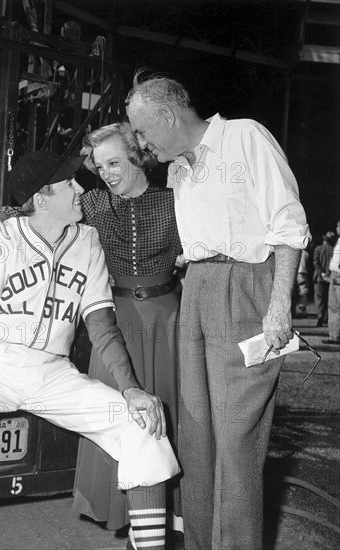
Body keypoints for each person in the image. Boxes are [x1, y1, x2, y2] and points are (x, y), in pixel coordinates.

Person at [0, 151, 180, 550]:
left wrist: (131, 388)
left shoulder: (87, 242)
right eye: (68, 184)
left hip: (53, 372)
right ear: (41, 197)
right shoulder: (2, 236)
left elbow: (103, 328)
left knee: (141, 423)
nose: (79, 190)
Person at [125, 71, 310, 550]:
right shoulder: (177, 167)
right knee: (198, 436)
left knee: (236, 441)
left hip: (246, 286)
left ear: (168, 115)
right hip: (199, 289)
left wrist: (278, 308)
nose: (142, 144)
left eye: (143, 132)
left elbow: (287, 223)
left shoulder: (245, 136)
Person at [0, 122, 184, 548]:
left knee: (169, 410)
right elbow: (28, 207)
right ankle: (119, 511)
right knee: (116, 410)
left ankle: (171, 514)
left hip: (169, 316)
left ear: (138, 156)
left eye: (115, 162)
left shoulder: (174, 201)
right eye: (99, 164)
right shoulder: (90, 204)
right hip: (114, 314)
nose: (106, 172)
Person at [313, 230, 336, 326]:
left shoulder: (318, 249)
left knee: (319, 299)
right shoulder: (334, 250)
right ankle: (326, 318)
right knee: (327, 299)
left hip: (319, 278)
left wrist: (321, 273)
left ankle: (320, 318)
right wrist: (327, 273)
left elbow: (315, 262)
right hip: (330, 277)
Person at [322, 219, 340, 344]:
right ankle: (334, 336)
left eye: (338, 225)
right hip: (334, 276)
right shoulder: (338, 240)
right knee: (333, 307)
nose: (337, 227)